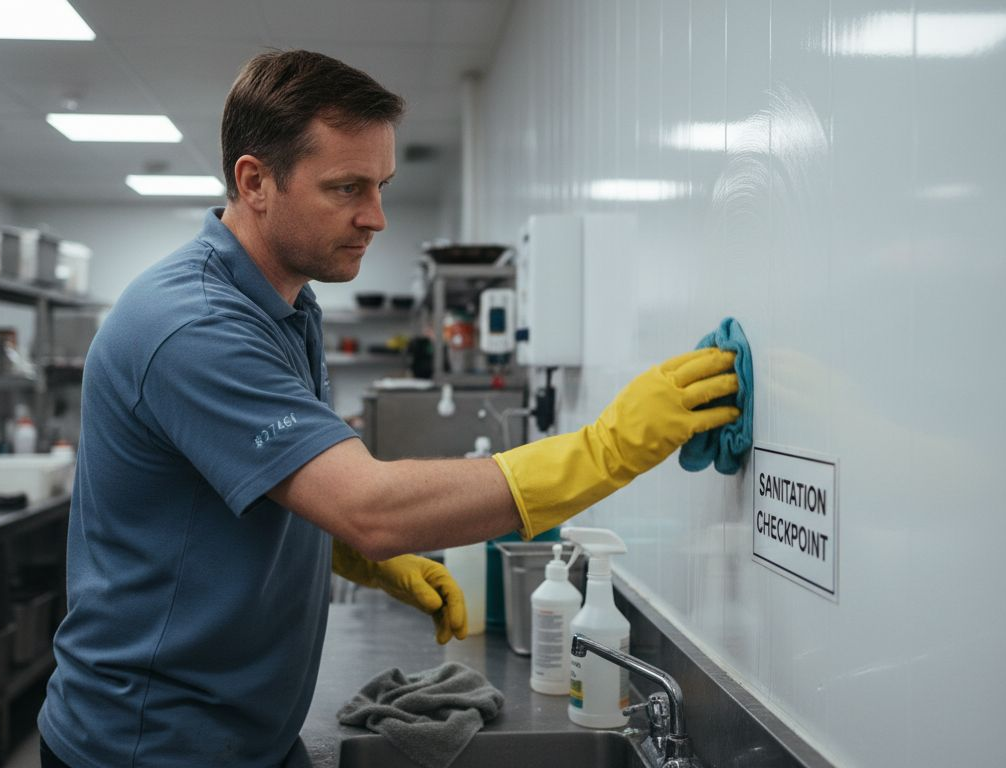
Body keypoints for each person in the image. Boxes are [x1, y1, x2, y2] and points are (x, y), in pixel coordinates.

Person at [37, 50, 739, 768]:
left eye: (380, 186)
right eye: (346, 188)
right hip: (147, 746)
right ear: (255, 182)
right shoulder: (195, 326)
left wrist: (352, 559)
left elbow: (251, 485)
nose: (374, 217)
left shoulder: (286, 306)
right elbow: (371, 508)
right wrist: (606, 448)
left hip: (243, 737)